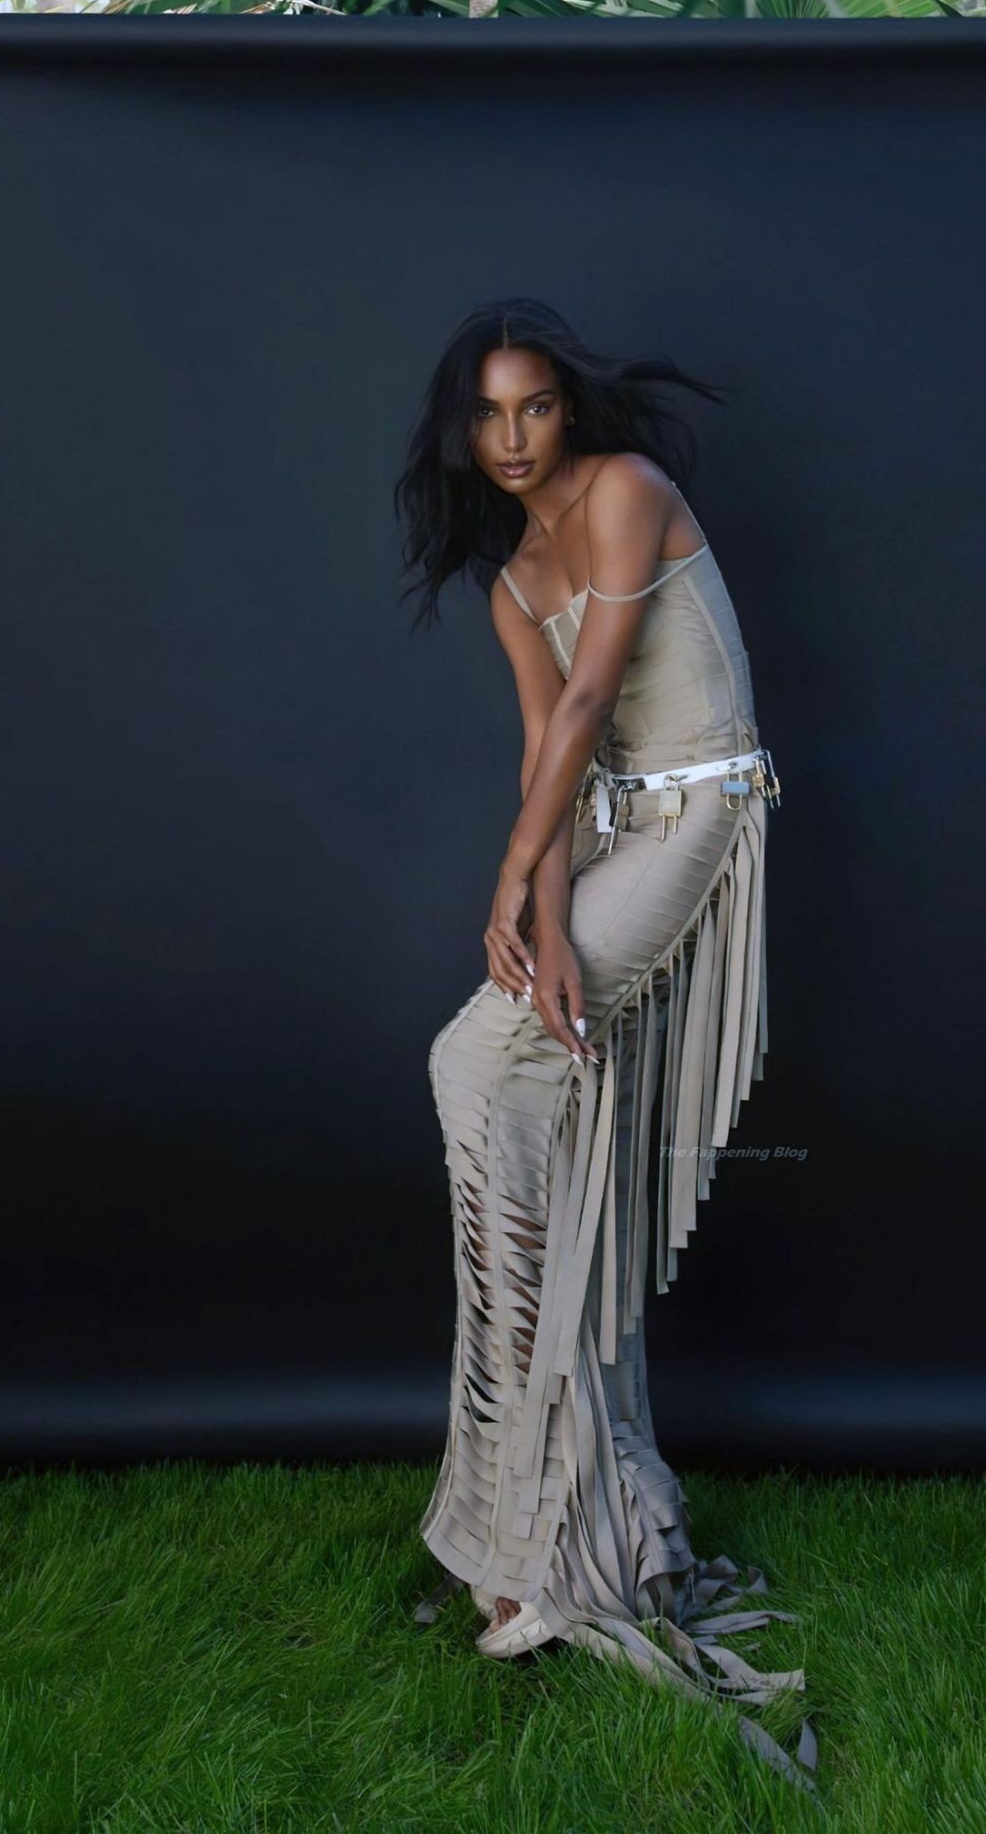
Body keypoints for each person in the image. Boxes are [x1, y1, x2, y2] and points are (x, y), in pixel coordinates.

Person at [396, 298, 816, 1795]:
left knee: (476, 1068)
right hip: (610, 828)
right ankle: (576, 1515)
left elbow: (598, 697)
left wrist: (517, 878)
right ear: (462, 431)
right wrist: (545, 910)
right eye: (487, 415)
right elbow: (550, 754)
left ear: (568, 407)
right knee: (526, 1113)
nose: (512, 438)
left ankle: (551, 1508)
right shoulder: (516, 581)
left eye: (534, 407)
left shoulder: (630, 490)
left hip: (702, 814)